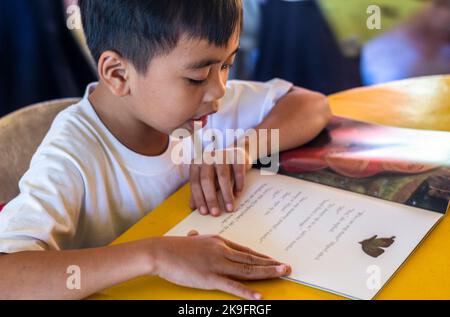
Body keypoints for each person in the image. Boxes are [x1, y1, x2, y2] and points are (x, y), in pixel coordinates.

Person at [0, 0, 331, 300]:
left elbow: (311, 105)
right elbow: (8, 278)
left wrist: (244, 148)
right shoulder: (72, 155)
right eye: (198, 77)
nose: (218, 91)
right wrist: (155, 255)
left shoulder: (202, 106)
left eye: (228, 65)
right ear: (118, 73)